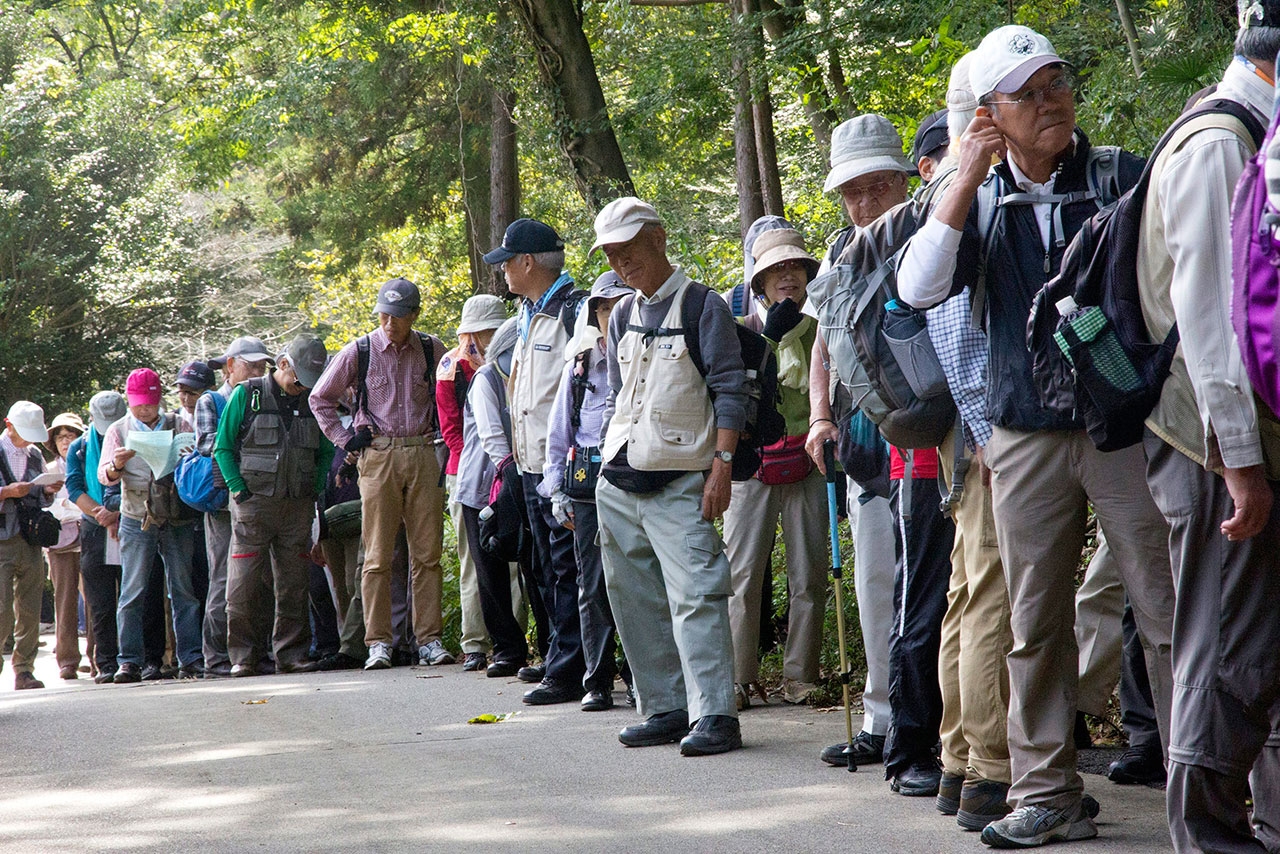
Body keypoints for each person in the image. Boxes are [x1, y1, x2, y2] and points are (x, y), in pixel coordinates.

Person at [896, 26, 1176, 847]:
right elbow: (916, 289)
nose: (1050, 100)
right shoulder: (973, 197)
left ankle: (1206, 781)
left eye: (1057, 82)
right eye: (1027, 92)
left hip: (1125, 424)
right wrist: (964, 173)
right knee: (1032, 622)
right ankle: (1044, 791)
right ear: (989, 114)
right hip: (1021, 433)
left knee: (1164, 607)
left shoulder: (1122, 175)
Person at [1136, 7, 1280, 848]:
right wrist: (1240, 461)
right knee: (1224, 645)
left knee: (1258, 644)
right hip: (1212, 444)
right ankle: (1208, 838)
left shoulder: (1251, 128)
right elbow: (1209, 324)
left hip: (1240, 440)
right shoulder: (1217, 143)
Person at [594, 196, 748, 756]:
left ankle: (716, 715)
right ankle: (665, 707)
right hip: (620, 481)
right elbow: (615, 398)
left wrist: (721, 467)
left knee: (697, 594)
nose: (620, 261)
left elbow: (732, 390)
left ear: (657, 237)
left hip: (684, 478)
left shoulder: (703, 305)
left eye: (628, 247)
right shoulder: (622, 316)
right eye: (611, 253)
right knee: (632, 597)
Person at [806, 113, 913, 768]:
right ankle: (881, 717)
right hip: (865, 437)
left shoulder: (936, 230)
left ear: (901, 180)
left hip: (938, 438)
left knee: (938, 581)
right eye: (853, 191)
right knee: (875, 579)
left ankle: (935, 720)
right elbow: (821, 347)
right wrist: (819, 418)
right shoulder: (837, 254)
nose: (865, 202)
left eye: (877, 186)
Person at [311, 278, 453, 670]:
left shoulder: (431, 348)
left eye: (400, 316)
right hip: (379, 456)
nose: (391, 323)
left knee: (427, 554)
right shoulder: (359, 350)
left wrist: (442, 434)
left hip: (423, 455)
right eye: (385, 315)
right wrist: (345, 439)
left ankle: (429, 639)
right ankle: (378, 642)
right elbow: (319, 398)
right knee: (376, 554)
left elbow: (449, 396)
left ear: (414, 315)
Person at [482, 218, 588, 705]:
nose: (502, 271)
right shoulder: (527, 312)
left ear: (527, 262)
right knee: (543, 567)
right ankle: (556, 655)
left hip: (562, 463)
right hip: (529, 465)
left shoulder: (574, 310)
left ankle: (571, 671)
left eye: (506, 262)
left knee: (567, 568)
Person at [724, 229, 827, 709]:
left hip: (807, 466)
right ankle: (737, 679)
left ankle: (799, 676)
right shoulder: (739, 327)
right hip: (751, 470)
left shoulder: (819, 327)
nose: (788, 275)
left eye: (796, 268)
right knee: (742, 575)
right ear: (758, 280)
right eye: (776, 270)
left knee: (808, 575)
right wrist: (770, 336)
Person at [541, 271, 636, 711]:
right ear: (595, 314)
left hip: (636, 474)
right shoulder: (579, 365)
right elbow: (559, 430)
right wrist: (556, 488)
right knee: (591, 582)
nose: (611, 314)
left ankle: (640, 676)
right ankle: (596, 679)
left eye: (620, 304)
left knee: (638, 579)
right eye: (604, 307)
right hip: (586, 482)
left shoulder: (644, 355)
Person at [213, 334, 334, 675]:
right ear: (282, 365)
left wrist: (315, 487)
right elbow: (222, 448)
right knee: (243, 586)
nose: (303, 387)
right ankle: (244, 657)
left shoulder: (314, 400)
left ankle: (292, 654)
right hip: (253, 507)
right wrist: (239, 490)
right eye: (299, 379)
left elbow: (326, 452)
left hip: (297, 507)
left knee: (295, 584)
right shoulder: (246, 395)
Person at [98, 368, 205, 682]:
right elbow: (105, 475)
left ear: (159, 400)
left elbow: (199, 456)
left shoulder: (179, 423)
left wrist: (188, 457)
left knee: (183, 590)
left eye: (150, 403)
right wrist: (118, 463)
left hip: (176, 515)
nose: (145, 409)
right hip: (135, 516)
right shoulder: (118, 429)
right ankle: (129, 661)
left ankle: (191, 659)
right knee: (132, 590)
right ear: (130, 402)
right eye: (139, 403)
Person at [437, 294, 509, 672]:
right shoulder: (451, 366)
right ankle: (475, 642)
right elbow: (452, 430)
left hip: (504, 469)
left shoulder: (510, 357)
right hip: (466, 470)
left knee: (511, 561)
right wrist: (481, 469)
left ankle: (508, 641)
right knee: (473, 562)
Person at [457, 318, 531, 678]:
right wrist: (510, 470)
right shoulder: (485, 380)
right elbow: (490, 435)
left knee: (528, 565)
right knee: (489, 572)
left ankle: (539, 647)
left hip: (516, 481)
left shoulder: (527, 377)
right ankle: (506, 649)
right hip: (482, 486)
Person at [197, 337, 272, 677]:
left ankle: (257, 652)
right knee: (223, 578)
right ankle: (217, 657)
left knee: (260, 579)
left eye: (262, 366)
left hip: (259, 499)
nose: (257, 372)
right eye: (250, 365)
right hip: (224, 503)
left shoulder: (266, 395)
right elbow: (207, 444)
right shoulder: (211, 400)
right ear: (230, 365)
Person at [65, 391, 128, 683]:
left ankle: (134, 660)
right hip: (94, 527)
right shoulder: (79, 447)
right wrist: (101, 514)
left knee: (133, 594)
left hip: (131, 521)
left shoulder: (131, 436)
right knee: (100, 602)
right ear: (91, 418)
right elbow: (74, 486)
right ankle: (106, 662)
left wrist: (117, 514)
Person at [0, 401, 59, 690]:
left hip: (30, 538)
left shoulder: (35, 453)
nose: (28, 439)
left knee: (31, 607)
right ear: (8, 425)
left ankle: (24, 669)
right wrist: (5, 493)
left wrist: (47, 490)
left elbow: (41, 498)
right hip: (2, 539)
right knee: (1, 610)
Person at [45, 412, 87, 680]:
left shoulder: (88, 464)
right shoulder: (49, 471)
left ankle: (98, 656)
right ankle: (68, 660)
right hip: (60, 541)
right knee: (64, 600)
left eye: (70, 436)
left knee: (95, 599)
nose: (65, 441)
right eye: (60, 437)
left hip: (88, 536)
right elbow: (48, 509)